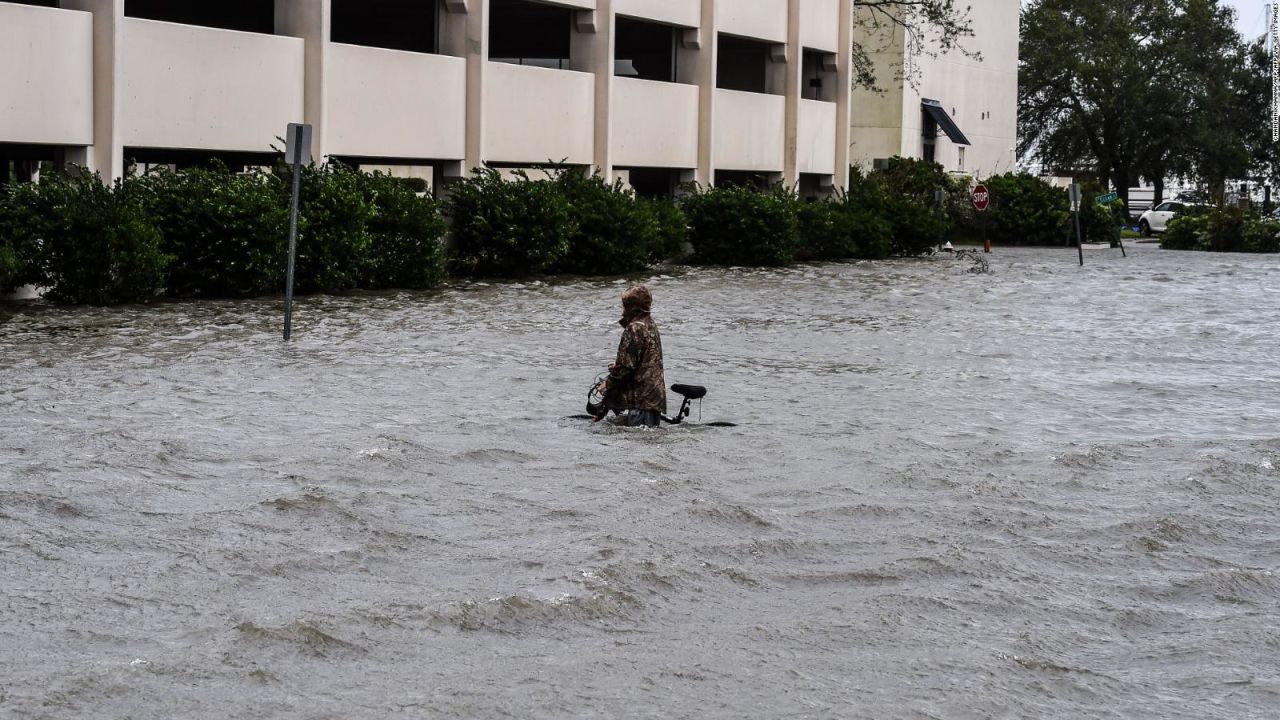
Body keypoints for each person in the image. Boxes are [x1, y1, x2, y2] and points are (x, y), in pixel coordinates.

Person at [597, 285, 666, 427]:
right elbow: (642, 359)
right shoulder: (650, 323)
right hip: (653, 397)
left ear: (631, 307)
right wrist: (618, 363)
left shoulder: (634, 328)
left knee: (639, 444)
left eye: (625, 305)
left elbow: (626, 367)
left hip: (640, 399)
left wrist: (607, 384)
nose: (622, 309)